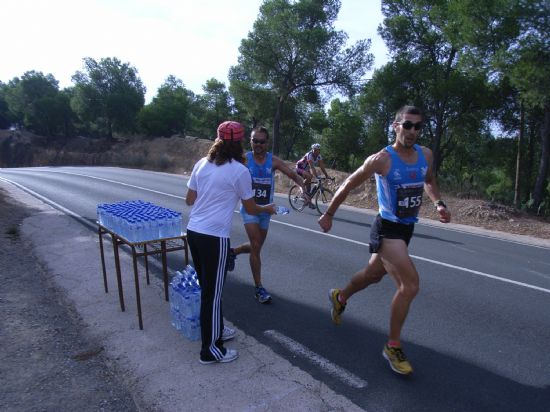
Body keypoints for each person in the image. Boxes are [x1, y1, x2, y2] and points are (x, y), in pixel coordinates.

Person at [318, 106, 451, 375]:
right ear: (395, 126)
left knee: (372, 275)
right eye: (407, 125)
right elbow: (348, 184)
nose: (412, 131)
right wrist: (329, 213)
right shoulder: (381, 160)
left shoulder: (425, 154)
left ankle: (340, 297)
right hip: (387, 229)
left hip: (406, 230)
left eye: (418, 127)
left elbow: (430, 179)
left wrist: (438, 203)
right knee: (410, 285)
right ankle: (392, 346)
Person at [185, 120, 276, 364]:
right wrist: (268, 207)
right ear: (239, 143)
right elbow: (250, 207)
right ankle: (211, 350)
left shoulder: (201, 164)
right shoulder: (239, 171)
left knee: (210, 290)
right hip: (215, 238)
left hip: (194, 232)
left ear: (218, 139)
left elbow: (189, 199)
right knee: (212, 296)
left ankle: (218, 329)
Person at [229, 126, 308, 303]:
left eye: (261, 141)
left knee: (256, 246)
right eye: (254, 141)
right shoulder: (244, 160)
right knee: (256, 245)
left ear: (267, 143)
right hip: (250, 209)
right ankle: (259, 288)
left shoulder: (273, 161)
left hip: (267, 211)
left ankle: (233, 251)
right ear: (250, 141)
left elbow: (294, 176)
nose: (258, 144)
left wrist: (303, 189)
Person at [296, 143, 330, 207]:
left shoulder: (319, 156)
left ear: (319, 150)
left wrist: (327, 175)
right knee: (310, 176)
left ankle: (308, 201)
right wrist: (316, 176)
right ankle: (302, 189)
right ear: (312, 150)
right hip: (299, 167)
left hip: (306, 169)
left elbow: (322, 167)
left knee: (309, 188)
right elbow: (312, 167)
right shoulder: (309, 155)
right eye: (315, 150)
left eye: (318, 150)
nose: (316, 151)